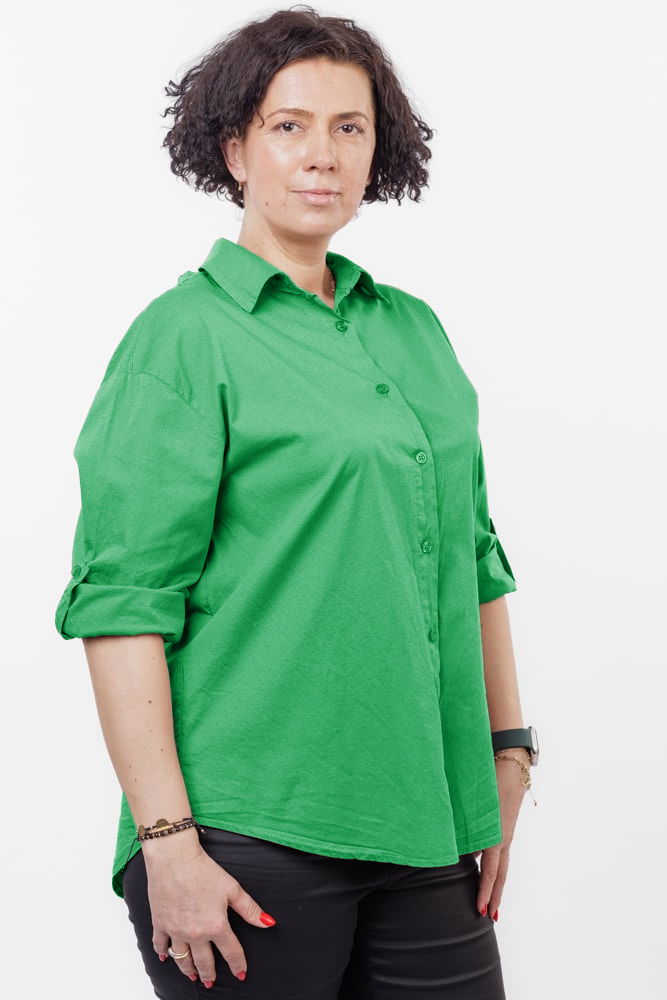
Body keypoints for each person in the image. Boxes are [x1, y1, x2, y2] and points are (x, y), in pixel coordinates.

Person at [54, 6, 539, 997]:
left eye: (348, 127)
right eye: (288, 126)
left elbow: (471, 555)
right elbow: (123, 606)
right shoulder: (183, 338)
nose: (322, 153)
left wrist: (506, 752)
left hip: (424, 817)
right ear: (234, 149)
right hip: (245, 833)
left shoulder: (413, 331)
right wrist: (167, 843)